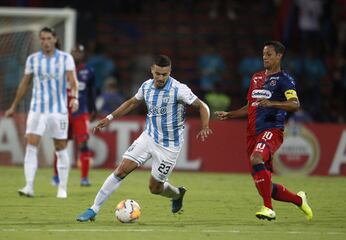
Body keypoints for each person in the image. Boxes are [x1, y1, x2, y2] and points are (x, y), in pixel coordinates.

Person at [76, 55, 212, 222]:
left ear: (170, 72)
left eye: (165, 74)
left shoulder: (179, 89)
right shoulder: (146, 86)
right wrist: (109, 118)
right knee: (121, 170)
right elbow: (132, 102)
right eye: (157, 73)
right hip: (148, 137)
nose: (161, 78)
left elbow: (202, 106)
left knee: (154, 188)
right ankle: (93, 209)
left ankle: (177, 194)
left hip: (169, 146)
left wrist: (205, 126)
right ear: (152, 70)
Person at [215, 41, 313, 221]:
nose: (265, 58)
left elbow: (295, 104)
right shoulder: (256, 78)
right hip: (252, 133)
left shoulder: (285, 80)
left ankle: (268, 208)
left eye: (269, 54)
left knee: (256, 158)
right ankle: (299, 200)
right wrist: (230, 114)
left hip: (271, 129)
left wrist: (273, 103)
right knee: (265, 185)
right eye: (263, 54)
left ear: (279, 56)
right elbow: (250, 106)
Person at [5, 27, 79, 198]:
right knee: (31, 145)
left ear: (54, 39)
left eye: (48, 38)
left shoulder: (65, 58)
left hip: (59, 110)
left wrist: (74, 98)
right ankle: (29, 186)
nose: (45, 42)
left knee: (60, 148)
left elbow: (73, 81)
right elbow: (25, 83)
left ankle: (62, 188)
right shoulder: (33, 59)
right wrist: (14, 105)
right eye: (42, 39)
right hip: (37, 109)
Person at [52, 44, 97, 187]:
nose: (76, 55)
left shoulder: (88, 71)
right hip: (63, 112)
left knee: (83, 143)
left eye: (79, 52)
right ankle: (56, 177)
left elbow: (91, 92)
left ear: (83, 55)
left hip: (81, 112)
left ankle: (84, 178)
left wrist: (93, 108)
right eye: (74, 52)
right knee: (61, 144)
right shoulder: (61, 70)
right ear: (70, 53)